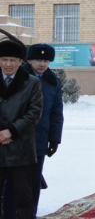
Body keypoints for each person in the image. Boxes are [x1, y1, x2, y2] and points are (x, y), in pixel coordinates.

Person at [3, 44, 63, 219]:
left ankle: (30, 214)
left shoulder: (53, 82)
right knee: (13, 183)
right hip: (15, 139)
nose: (42, 64)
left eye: (46, 60)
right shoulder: (18, 78)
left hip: (38, 140)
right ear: (28, 60)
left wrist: (54, 139)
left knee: (33, 182)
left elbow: (56, 113)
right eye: (38, 60)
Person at [0, 39, 43, 219]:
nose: (8, 64)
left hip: (21, 149)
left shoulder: (31, 82)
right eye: (4, 59)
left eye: (12, 60)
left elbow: (34, 112)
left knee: (24, 198)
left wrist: (11, 131)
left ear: (20, 62)